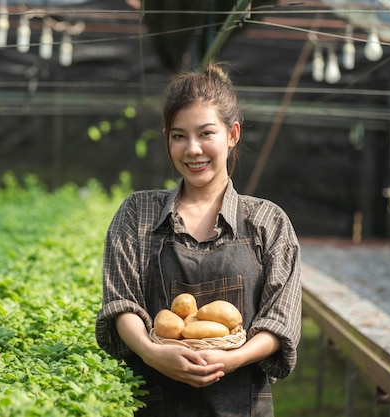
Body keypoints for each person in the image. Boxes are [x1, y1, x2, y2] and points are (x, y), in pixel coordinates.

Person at [95, 62, 302, 417]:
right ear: (166, 138)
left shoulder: (267, 221)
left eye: (206, 133)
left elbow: (280, 320)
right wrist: (151, 351)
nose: (192, 149)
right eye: (179, 136)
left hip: (243, 404)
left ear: (232, 134)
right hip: (155, 401)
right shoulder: (137, 213)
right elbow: (121, 302)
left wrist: (233, 358)